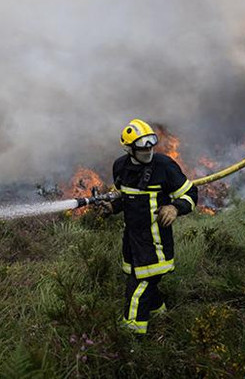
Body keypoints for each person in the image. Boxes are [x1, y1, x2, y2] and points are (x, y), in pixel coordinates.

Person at [100, 118, 198, 334]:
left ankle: (132, 338)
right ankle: (161, 315)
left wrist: (174, 208)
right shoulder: (120, 166)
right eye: (142, 149)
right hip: (132, 240)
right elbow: (125, 197)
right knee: (143, 282)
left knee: (138, 289)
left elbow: (190, 194)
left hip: (156, 242)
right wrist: (112, 207)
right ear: (128, 149)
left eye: (151, 147)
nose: (148, 152)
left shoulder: (164, 166)